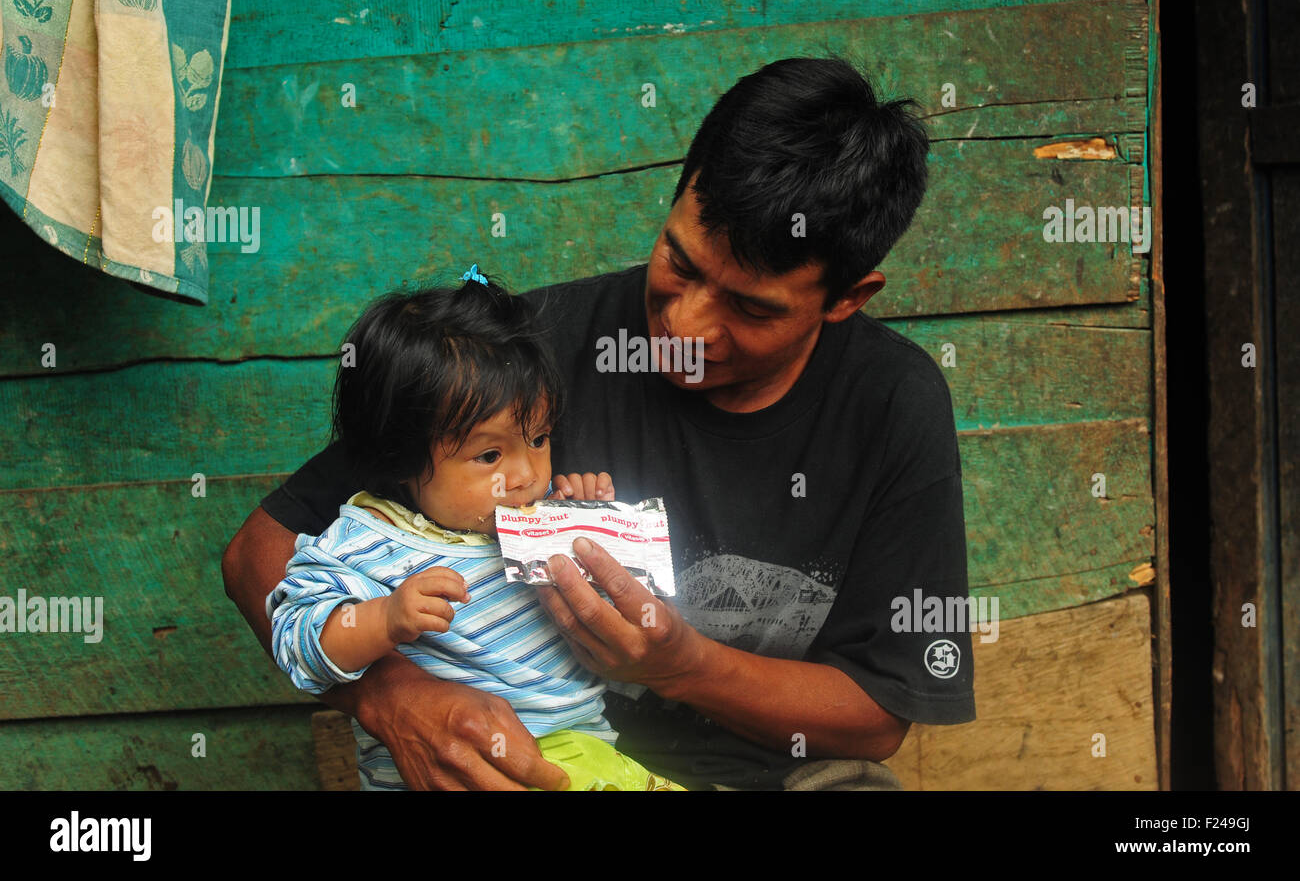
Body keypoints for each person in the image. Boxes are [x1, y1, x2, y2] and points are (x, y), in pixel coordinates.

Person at [222, 56, 976, 791]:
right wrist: (392, 696)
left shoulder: (892, 402)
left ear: (848, 297)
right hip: (531, 760)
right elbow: (260, 551)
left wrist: (680, 664)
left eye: (749, 308)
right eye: (679, 264)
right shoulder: (521, 356)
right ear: (679, 193)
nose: (684, 324)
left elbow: (878, 713)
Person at [265, 276, 683, 790]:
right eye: (489, 456)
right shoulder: (364, 544)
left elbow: (614, 625)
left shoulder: (541, 523)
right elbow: (297, 641)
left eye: (539, 438)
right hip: (457, 771)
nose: (528, 473)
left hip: (580, 754)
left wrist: (594, 530)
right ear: (400, 457)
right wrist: (384, 619)